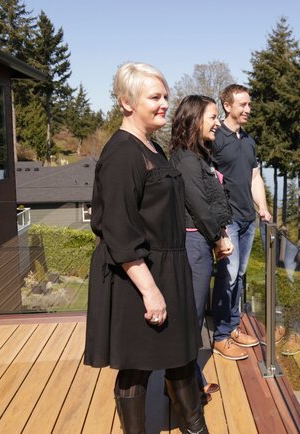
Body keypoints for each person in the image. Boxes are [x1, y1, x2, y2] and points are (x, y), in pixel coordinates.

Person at [84, 63, 207, 434]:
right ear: (126, 102)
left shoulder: (149, 146)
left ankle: (195, 429)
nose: (165, 104)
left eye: (165, 96)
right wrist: (150, 290)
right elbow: (119, 231)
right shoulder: (122, 153)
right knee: (136, 366)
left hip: (167, 268)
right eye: (155, 97)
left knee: (182, 356)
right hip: (138, 275)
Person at [169, 95, 234, 402]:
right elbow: (199, 206)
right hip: (194, 244)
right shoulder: (185, 160)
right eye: (212, 117)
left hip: (200, 242)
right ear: (195, 120)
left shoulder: (197, 157)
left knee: (193, 316)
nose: (217, 123)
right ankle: (183, 387)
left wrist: (219, 234)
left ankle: (189, 380)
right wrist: (219, 238)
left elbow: (212, 201)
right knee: (191, 317)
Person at [211, 84, 272, 360]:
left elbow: (254, 178)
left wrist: (263, 208)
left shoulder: (248, 140)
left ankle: (233, 326)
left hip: (249, 220)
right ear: (227, 105)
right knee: (228, 274)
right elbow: (208, 180)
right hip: (228, 221)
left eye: (249, 105)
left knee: (240, 274)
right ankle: (221, 334)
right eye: (243, 105)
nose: (248, 109)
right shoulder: (215, 138)